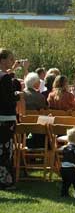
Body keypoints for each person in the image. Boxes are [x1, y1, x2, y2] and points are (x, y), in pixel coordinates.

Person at [0, 49, 24, 190]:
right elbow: (8, 98)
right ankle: (5, 181)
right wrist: (17, 95)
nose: (12, 62)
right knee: (5, 151)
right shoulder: (5, 77)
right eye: (10, 59)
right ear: (2, 60)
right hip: (6, 118)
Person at [60, 128, 75, 198]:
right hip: (72, 169)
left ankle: (64, 194)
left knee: (66, 182)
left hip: (63, 168)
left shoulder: (64, 147)